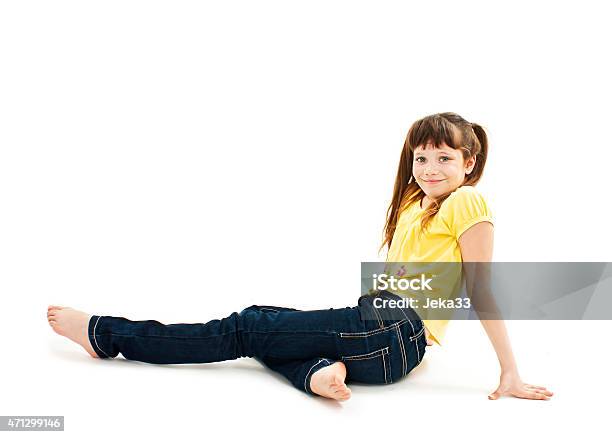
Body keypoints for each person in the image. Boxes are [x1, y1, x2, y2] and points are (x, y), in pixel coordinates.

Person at [47, 112, 553, 402]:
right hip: (390, 342)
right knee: (272, 329)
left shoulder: (468, 200)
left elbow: (482, 287)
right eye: (421, 157)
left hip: (394, 331)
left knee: (247, 325)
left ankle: (104, 335)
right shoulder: (414, 204)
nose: (430, 167)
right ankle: (316, 373)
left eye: (445, 158)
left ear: (469, 162)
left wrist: (508, 371)